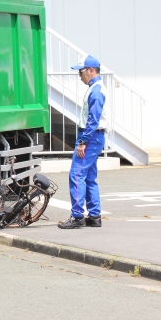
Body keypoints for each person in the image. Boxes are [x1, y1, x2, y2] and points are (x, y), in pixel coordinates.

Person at [59, 54, 109, 229]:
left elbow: (93, 119)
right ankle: (94, 216)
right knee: (89, 177)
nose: (79, 75)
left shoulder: (96, 90)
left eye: (81, 72)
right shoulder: (96, 88)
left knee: (77, 174)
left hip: (91, 136)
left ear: (91, 70)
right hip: (96, 136)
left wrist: (83, 141)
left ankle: (77, 215)